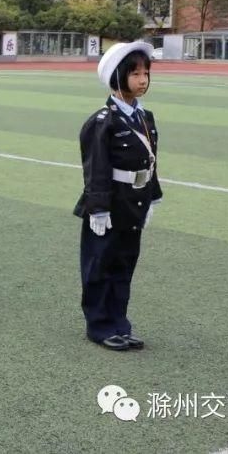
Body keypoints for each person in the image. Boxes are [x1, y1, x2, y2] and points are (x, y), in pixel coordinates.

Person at [75, 41, 162, 352]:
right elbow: (96, 167)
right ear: (116, 77)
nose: (143, 79)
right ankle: (99, 327)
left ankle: (120, 324)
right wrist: (98, 209)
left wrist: (152, 197)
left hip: (133, 204)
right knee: (100, 266)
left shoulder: (145, 117)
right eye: (135, 73)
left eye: (146, 73)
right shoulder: (102, 121)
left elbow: (151, 161)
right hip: (109, 207)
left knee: (124, 266)